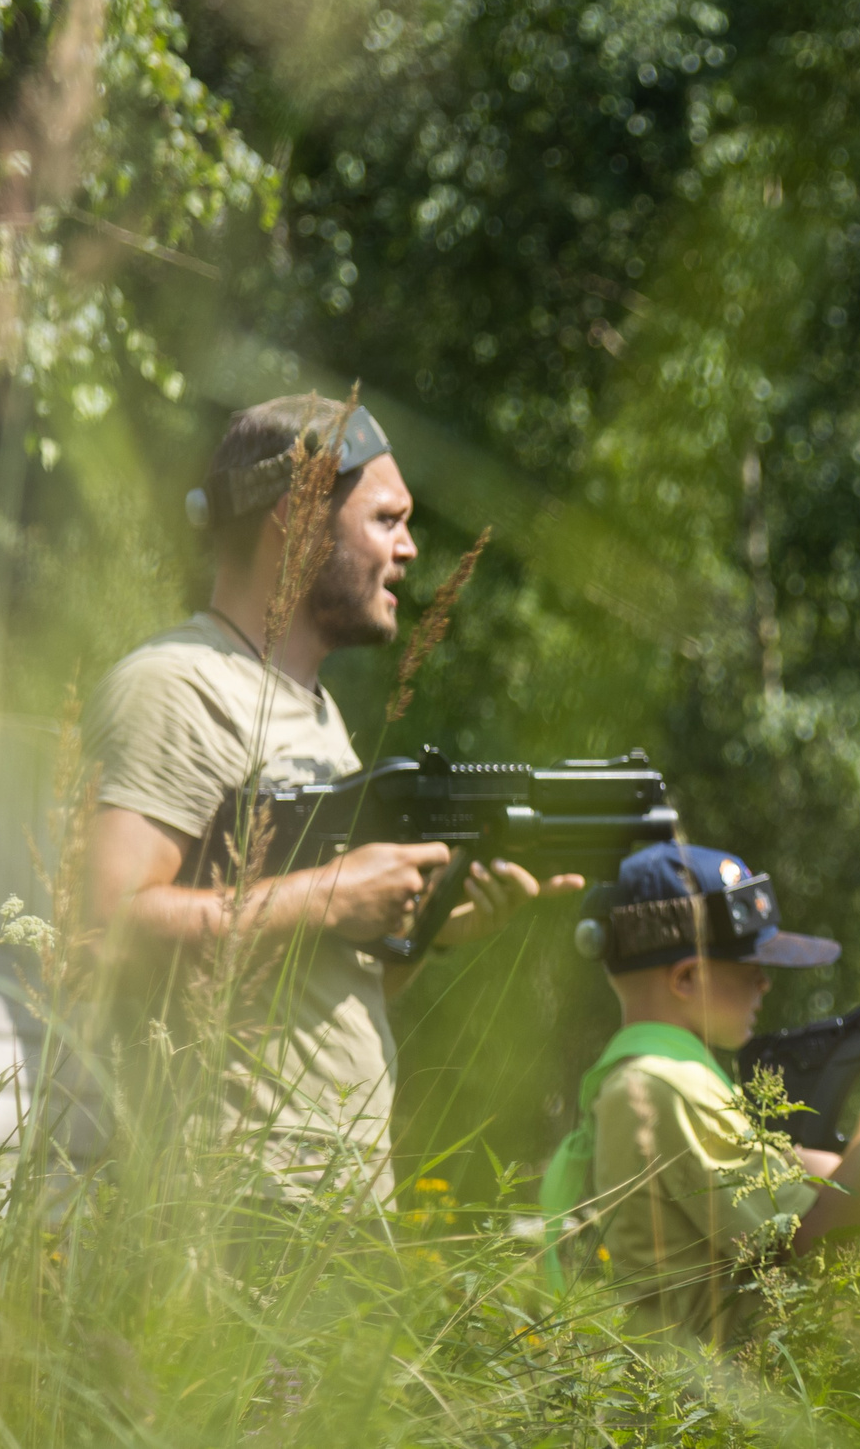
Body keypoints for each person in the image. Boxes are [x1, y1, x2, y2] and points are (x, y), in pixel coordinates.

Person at [80, 394, 580, 1204]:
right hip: (225, 1212)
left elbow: (333, 980)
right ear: (298, 515)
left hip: (332, 1211)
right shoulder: (173, 687)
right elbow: (100, 932)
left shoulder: (315, 714)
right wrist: (331, 894)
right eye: (387, 519)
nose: (411, 548)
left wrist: (427, 931)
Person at [541, 841, 860, 1347]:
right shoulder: (665, 1086)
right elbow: (811, 1242)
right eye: (750, 968)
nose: (765, 984)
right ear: (686, 977)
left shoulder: (645, 1077)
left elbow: (779, 1182)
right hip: (707, 1412)